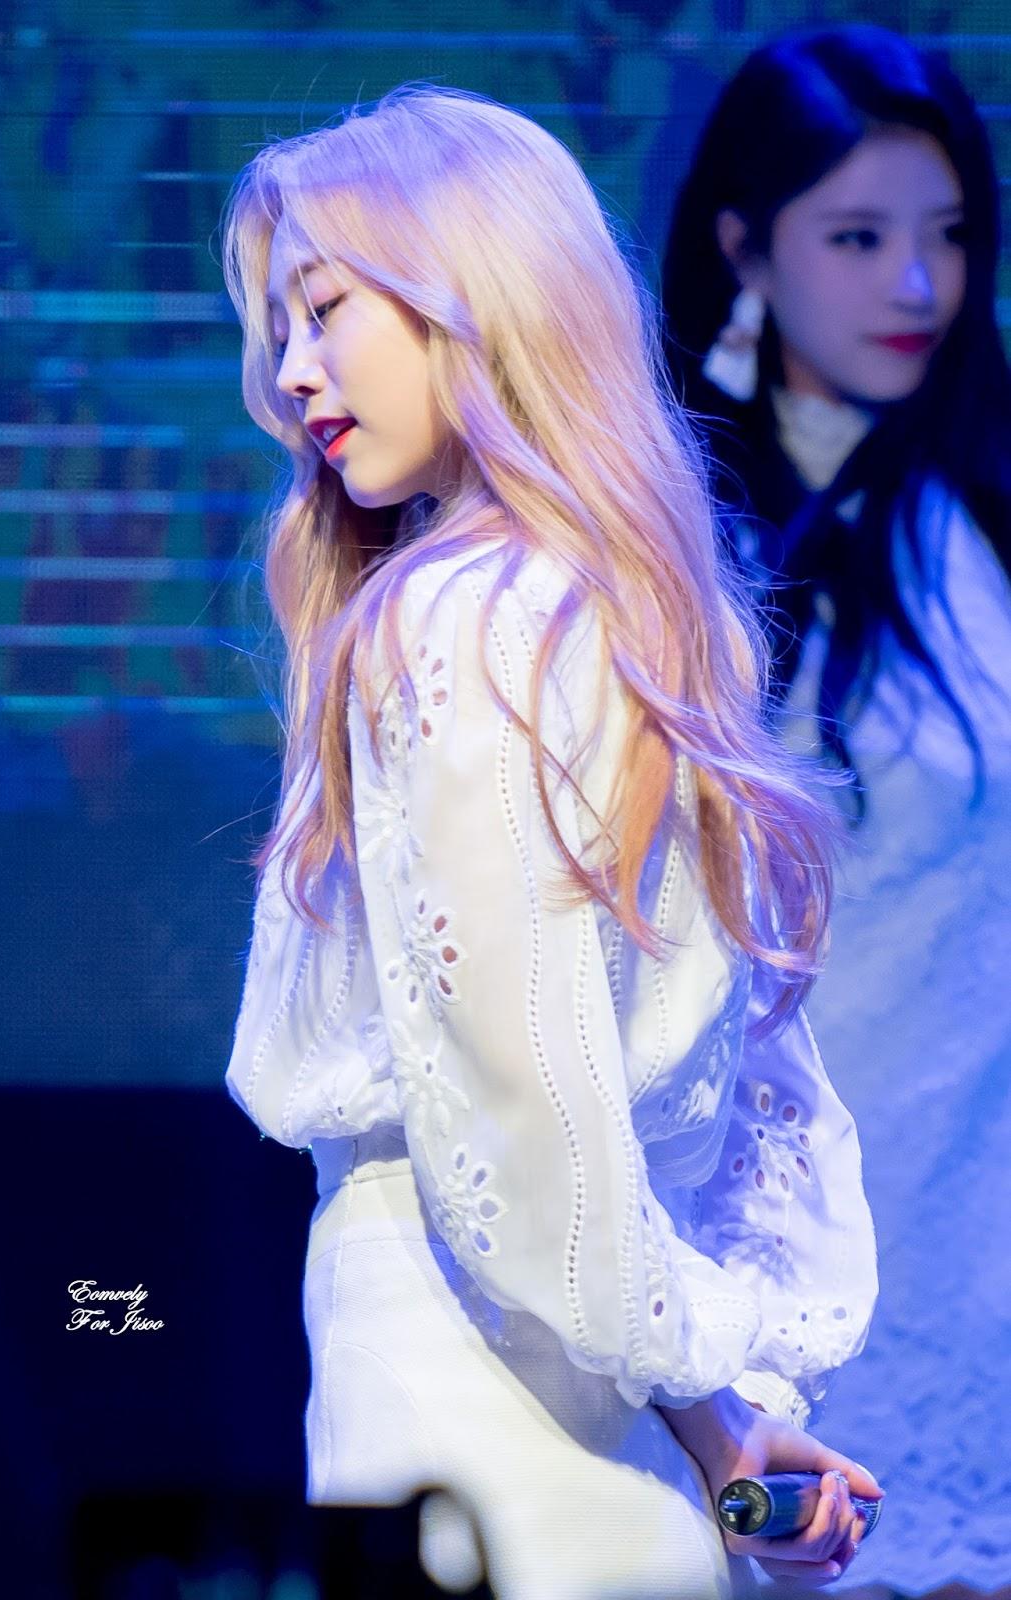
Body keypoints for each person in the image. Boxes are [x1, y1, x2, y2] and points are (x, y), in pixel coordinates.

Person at [220, 86, 881, 1600]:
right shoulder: (633, 621)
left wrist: (711, 1405)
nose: (292, 370)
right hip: (620, 1393)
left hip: (466, 1376)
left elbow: (520, 1121)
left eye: (325, 308)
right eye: (281, 327)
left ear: (476, 294)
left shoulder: (459, 617)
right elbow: (636, 1125)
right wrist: (724, 1417)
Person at [661, 25, 1011, 1600]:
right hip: (746, 1227)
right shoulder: (663, 530)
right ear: (744, 247)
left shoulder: (982, 506)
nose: (916, 285)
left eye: (947, 234)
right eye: (858, 238)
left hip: (976, 1206)